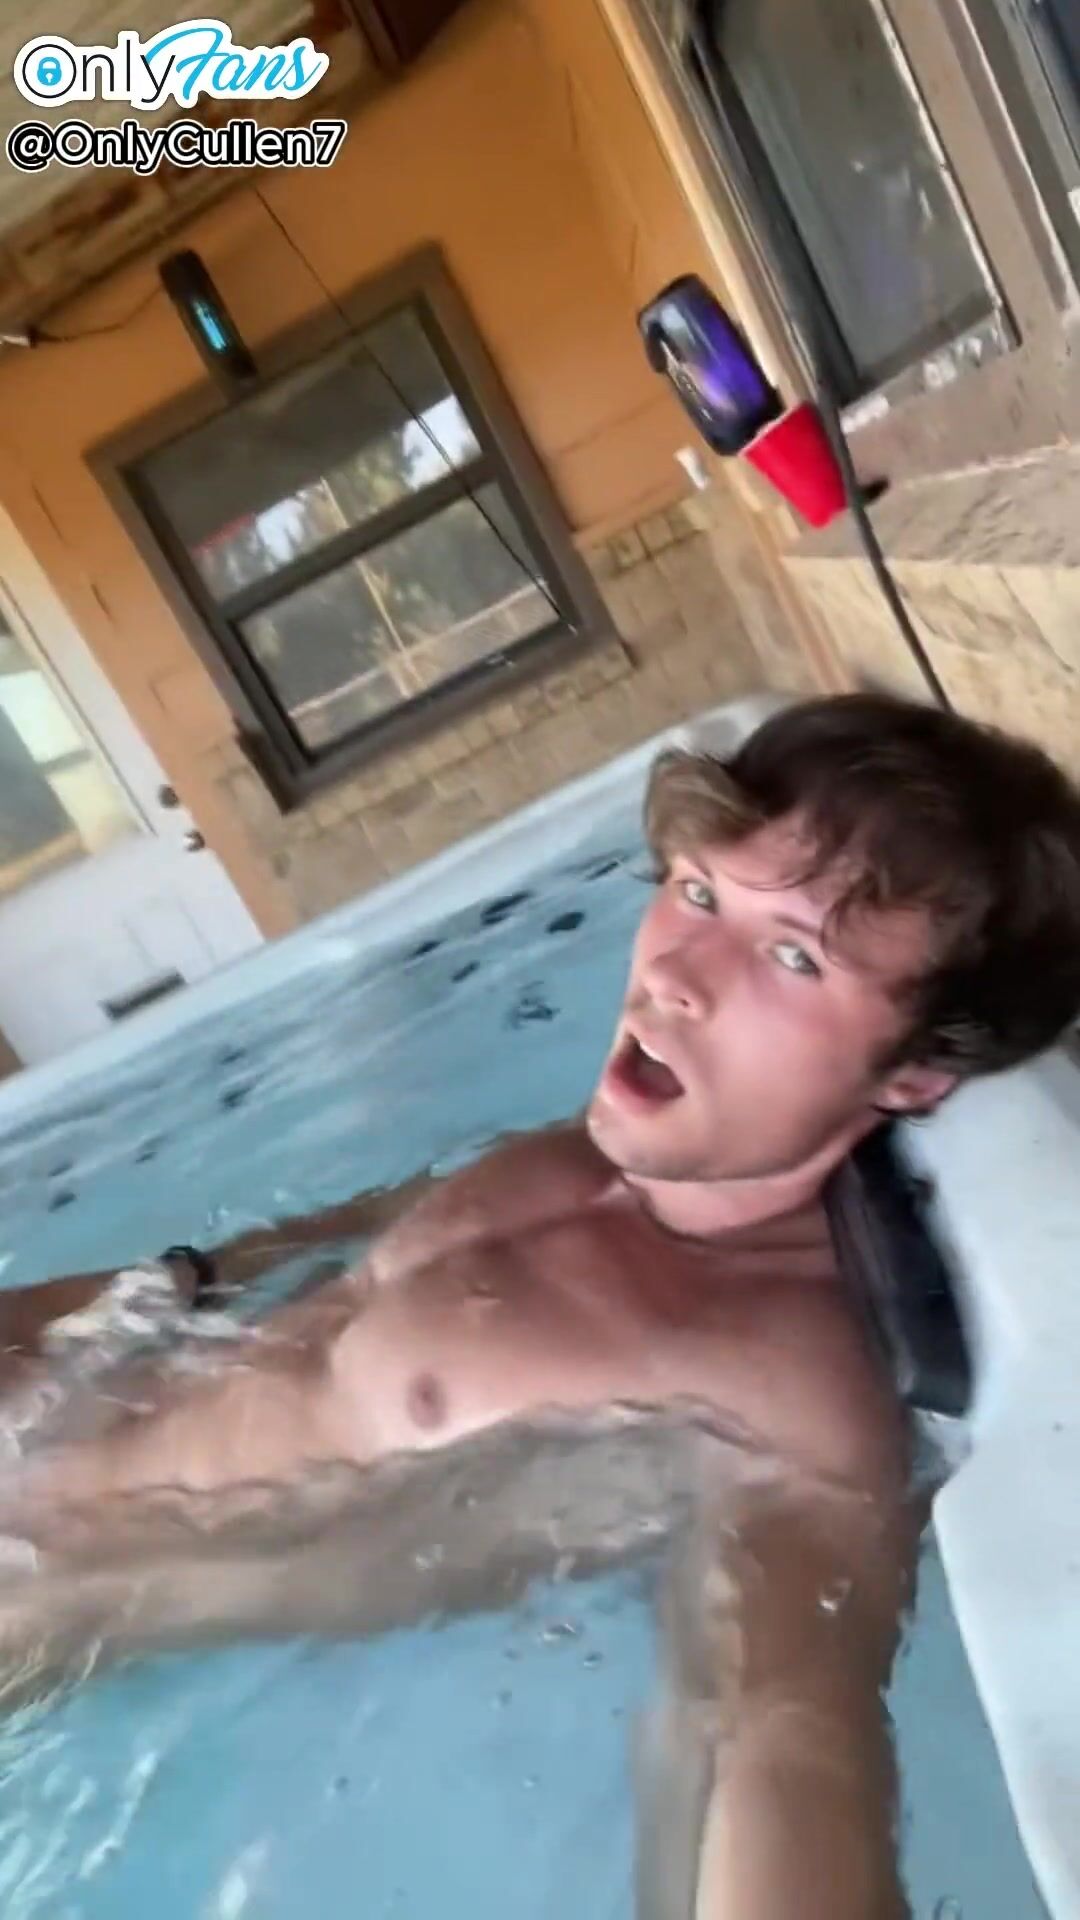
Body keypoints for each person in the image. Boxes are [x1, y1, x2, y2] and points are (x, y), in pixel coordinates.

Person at [5, 691, 1080, 1918]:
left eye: (793, 956)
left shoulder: (780, 1384)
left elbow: (780, 1729)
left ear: (920, 1074)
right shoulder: (571, 1155)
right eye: (697, 892)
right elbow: (249, 1264)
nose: (675, 972)